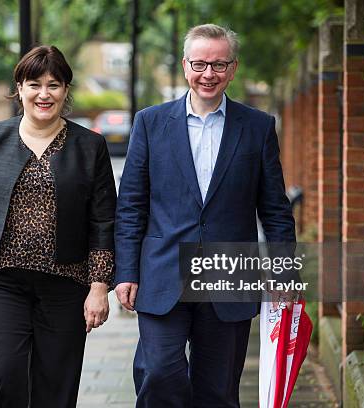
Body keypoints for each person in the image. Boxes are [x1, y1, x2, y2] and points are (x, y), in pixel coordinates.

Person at [114, 24, 296, 407]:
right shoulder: (150, 122)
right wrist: (126, 272)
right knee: (159, 372)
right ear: (185, 66)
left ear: (233, 68)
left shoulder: (258, 127)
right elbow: (131, 204)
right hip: (162, 273)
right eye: (199, 64)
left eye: (218, 64)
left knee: (218, 390)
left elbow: (275, 208)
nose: (208, 74)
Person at [0, 45, 116, 408]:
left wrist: (99, 286)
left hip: (67, 285)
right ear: (19, 88)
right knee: (3, 376)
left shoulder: (91, 146)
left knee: (57, 385)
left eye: (54, 85)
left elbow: (103, 222)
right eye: (34, 84)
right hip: (3, 281)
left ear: (66, 91)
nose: (44, 94)